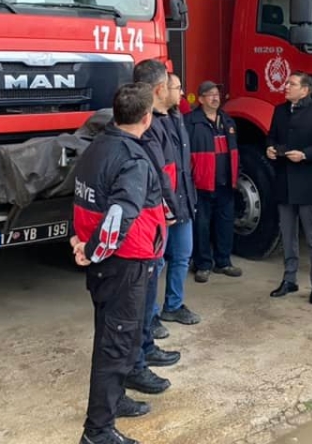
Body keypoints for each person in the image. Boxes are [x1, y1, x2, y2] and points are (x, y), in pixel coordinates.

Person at [71, 82, 167, 444]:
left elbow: (81, 197)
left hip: (106, 263)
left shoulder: (97, 145)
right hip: (124, 263)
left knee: (110, 336)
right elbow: (119, 214)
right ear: (147, 118)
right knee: (117, 344)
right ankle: (97, 431)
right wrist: (94, 249)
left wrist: (81, 242)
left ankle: (115, 400)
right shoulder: (132, 159)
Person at [124, 59, 179, 397]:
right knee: (140, 295)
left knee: (147, 289)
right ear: (159, 89)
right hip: (147, 224)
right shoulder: (145, 129)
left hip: (154, 221)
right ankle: (137, 361)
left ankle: (145, 346)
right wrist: (171, 207)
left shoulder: (158, 122)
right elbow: (158, 174)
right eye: (172, 85)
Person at [267, 72, 312, 304]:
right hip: (284, 182)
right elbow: (271, 136)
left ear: (305, 90)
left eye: (292, 84)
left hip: (307, 183)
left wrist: (305, 155)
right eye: (287, 83)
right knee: (287, 235)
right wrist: (270, 148)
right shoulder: (280, 110)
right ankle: (289, 279)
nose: (286, 86)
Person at [186, 80, 243, 282]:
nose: (215, 98)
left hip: (225, 184)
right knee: (201, 226)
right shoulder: (190, 122)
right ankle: (202, 265)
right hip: (201, 185)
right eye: (210, 94)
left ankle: (223, 262)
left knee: (225, 224)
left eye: (217, 94)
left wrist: (236, 174)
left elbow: (235, 152)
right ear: (200, 99)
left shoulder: (227, 121)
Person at [158, 74, 202, 325]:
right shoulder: (150, 122)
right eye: (177, 88)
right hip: (162, 206)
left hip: (183, 201)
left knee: (182, 256)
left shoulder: (178, 117)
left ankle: (173, 306)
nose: (182, 93)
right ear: (162, 90)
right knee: (155, 263)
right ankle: (149, 316)